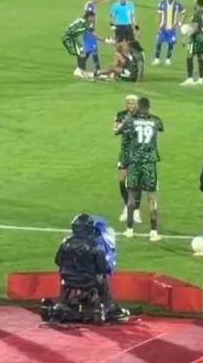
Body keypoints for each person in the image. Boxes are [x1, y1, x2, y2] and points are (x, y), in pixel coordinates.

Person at [54, 214, 128, 321]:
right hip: (88, 281)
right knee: (101, 277)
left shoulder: (65, 243)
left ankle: (62, 302)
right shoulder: (94, 247)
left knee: (63, 271)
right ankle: (109, 306)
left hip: (68, 280)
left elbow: (58, 261)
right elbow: (102, 268)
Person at [123, 97, 163, 242]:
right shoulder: (155, 120)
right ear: (149, 107)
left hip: (135, 162)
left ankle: (129, 229)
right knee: (152, 197)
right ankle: (153, 231)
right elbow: (161, 128)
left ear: (138, 106)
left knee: (131, 196)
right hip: (150, 163)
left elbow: (121, 132)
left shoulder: (131, 120)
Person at [113, 96, 141, 224]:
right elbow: (115, 131)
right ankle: (126, 206)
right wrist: (125, 123)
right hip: (125, 153)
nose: (131, 105)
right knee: (122, 180)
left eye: (133, 103)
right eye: (129, 103)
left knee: (137, 183)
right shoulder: (121, 115)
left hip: (138, 152)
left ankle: (136, 210)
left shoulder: (142, 116)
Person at [153, 0, 185, 66]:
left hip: (172, 29)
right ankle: (157, 59)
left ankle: (168, 59)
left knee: (171, 44)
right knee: (159, 43)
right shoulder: (162, 3)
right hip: (163, 28)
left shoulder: (177, 5)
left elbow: (184, 13)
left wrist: (179, 23)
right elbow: (158, 15)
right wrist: (158, 27)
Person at [182, 0, 203, 86]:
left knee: (189, 57)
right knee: (200, 57)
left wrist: (186, 38)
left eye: (194, 3)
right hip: (202, 37)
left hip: (195, 38)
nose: (193, 4)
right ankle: (201, 79)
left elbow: (195, 28)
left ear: (197, 4)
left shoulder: (196, 14)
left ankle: (190, 79)